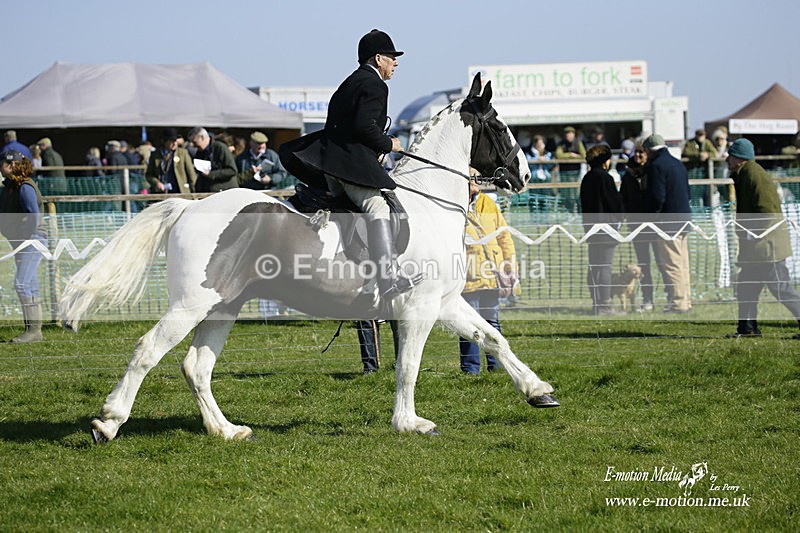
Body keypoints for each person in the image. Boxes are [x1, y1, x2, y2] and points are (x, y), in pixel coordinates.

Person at [279, 29, 423, 312]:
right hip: (348, 167)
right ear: (378, 58)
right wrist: (389, 143)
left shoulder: (349, 82)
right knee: (377, 207)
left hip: (330, 165)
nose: (396, 63)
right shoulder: (375, 85)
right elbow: (364, 127)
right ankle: (388, 277)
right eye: (392, 57)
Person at [725, 138, 800, 339]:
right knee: (746, 288)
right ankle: (747, 329)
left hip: (766, 246)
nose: (727, 159)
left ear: (738, 158)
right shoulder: (746, 174)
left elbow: (768, 212)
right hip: (758, 248)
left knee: (782, 289)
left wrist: (752, 233)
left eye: (730, 155)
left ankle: (748, 328)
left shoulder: (754, 175)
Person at [459, 176, 517, 373]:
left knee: (492, 321)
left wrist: (509, 266)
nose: (474, 182)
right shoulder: (454, 203)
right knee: (469, 326)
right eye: (470, 179)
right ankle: (470, 369)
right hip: (468, 276)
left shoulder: (489, 203)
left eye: (475, 178)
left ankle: (497, 366)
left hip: (493, 273)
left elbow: (504, 236)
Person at [0, 150, 48, 343]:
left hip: (33, 239)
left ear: (11, 165)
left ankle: (33, 331)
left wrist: (26, 238)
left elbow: (34, 216)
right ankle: (33, 331)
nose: (0, 167)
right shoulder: (8, 188)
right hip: (22, 241)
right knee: (29, 284)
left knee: (21, 283)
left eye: (2, 163)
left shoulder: (25, 187)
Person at [643, 133, 693, 313]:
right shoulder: (678, 164)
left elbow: (657, 197)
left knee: (672, 265)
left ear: (648, 150)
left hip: (667, 223)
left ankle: (678, 303)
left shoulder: (656, 166)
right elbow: (687, 192)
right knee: (683, 263)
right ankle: (686, 300)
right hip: (684, 218)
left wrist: (653, 217)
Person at [579, 144, 625, 316]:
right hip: (606, 228)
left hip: (591, 228)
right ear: (605, 161)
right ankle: (605, 305)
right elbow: (614, 203)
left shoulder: (587, 178)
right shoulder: (605, 178)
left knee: (594, 267)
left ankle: (596, 303)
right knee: (605, 267)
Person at [620, 142, 655, 311]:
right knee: (643, 264)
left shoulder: (653, 172)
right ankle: (648, 299)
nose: (638, 155)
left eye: (642, 152)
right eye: (636, 152)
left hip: (655, 226)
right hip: (636, 226)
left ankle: (672, 298)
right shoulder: (628, 175)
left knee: (663, 264)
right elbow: (624, 200)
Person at [145, 128, 196, 194]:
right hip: (162, 194)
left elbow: (191, 175)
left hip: (181, 193)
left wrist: (194, 194)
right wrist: (157, 183)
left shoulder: (183, 153)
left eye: (175, 141)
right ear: (164, 141)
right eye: (172, 141)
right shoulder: (155, 155)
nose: (174, 143)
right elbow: (149, 175)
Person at [187, 127, 238, 192]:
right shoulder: (200, 152)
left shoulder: (220, 148)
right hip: (209, 192)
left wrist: (211, 174)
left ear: (202, 137)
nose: (193, 145)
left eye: (194, 142)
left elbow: (232, 170)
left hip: (225, 191)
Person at [682, 129, 717, 207]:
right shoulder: (690, 143)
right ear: (696, 135)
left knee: (706, 194)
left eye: (703, 135)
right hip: (692, 172)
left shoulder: (707, 143)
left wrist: (707, 155)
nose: (701, 137)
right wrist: (698, 155)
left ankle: (706, 211)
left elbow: (714, 153)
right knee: (693, 194)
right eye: (699, 135)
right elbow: (685, 153)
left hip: (705, 173)